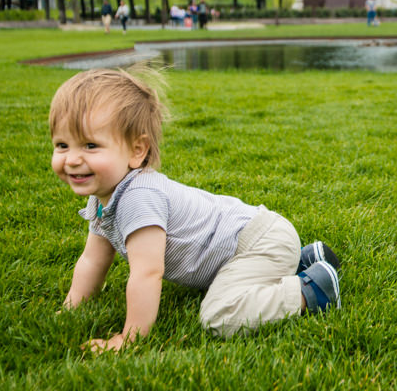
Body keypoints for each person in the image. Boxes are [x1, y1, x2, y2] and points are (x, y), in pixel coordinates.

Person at [50, 68, 341, 352]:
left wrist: (131, 338)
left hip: (256, 242)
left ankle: (313, 290)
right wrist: (70, 310)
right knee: (231, 289)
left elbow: (147, 273)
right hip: (255, 240)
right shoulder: (104, 198)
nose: (72, 159)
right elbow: (92, 260)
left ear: (137, 151)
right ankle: (303, 260)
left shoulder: (138, 198)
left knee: (219, 315)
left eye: (90, 145)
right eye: (62, 145)